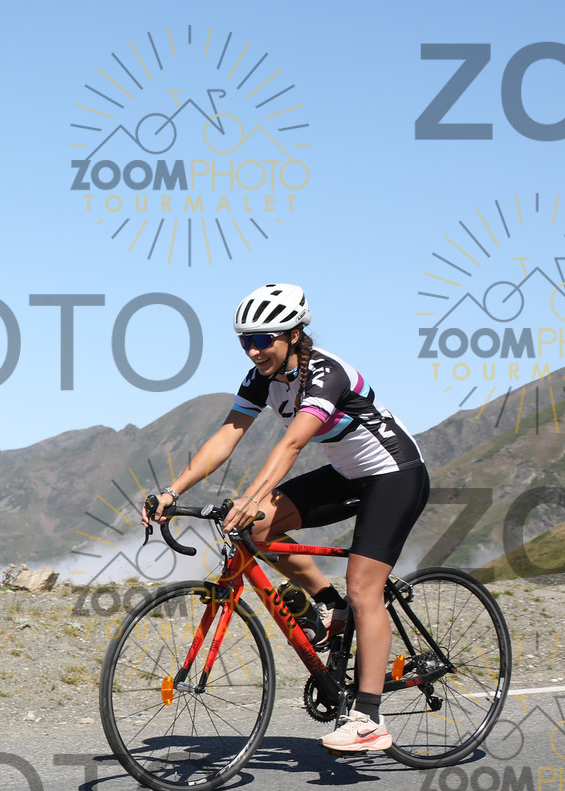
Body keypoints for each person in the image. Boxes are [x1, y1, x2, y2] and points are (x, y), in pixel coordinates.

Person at [142, 283, 430, 753]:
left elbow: (292, 443)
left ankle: (369, 719)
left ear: (294, 334)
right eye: (245, 340)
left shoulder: (327, 374)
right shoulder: (262, 378)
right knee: (257, 528)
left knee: (364, 588)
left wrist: (253, 495)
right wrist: (173, 491)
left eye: (263, 339)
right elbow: (227, 435)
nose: (254, 350)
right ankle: (329, 604)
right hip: (347, 475)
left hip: (395, 474)